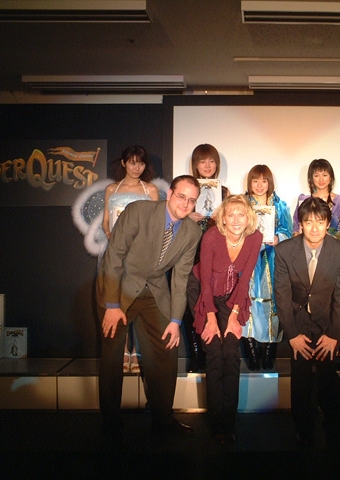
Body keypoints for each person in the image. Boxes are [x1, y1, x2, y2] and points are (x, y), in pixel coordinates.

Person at [96, 175, 202, 441]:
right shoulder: (138, 211)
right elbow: (113, 257)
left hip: (153, 290)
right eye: (181, 196)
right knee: (112, 354)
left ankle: (163, 418)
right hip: (119, 286)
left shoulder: (192, 232)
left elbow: (180, 278)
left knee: (167, 347)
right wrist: (112, 305)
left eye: (191, 200)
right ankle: (110, 421)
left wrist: (175, 321)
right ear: (170, 194)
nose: (185, 204)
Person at [275, 197, 340, 448]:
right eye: (308, 222)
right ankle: (303, 431)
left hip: (327, 323)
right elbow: (282, 296)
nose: (314, 228)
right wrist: (292, 334)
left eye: (320, 222)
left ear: (328, 223)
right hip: (297, 322)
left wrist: (335, 335)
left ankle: (333, 428)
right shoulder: (284, 251)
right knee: (300, 381)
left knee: (328, 380)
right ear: (301, 224)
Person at [189, 195, 262, 444]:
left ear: (249, 218)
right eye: (231, 215)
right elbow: (206, 282)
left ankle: (228, 424)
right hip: (202, 292)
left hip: (232, 298)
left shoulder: (255, 238)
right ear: (223, 218)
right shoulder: (211, 237)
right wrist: (210, 318)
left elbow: (245, 279)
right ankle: (215, 424)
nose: (236, 220)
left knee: (231, 353)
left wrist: (234, 316)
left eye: (241, 214)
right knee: (214, 352)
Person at [102, 145, 159, 374]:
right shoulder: (111, 189)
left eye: (141, 163)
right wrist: (111, 236)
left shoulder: (150, 190)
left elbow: (155, 223)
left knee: (138, 302)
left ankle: (137, 351)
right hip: (117, 255)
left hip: (140, 256)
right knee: (119, 300)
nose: (137, 168)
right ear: (124, 163)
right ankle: (124, 351)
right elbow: (106, 221)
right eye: (133, 163)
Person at [184, 143, 230, 372]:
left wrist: (221, 217)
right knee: (191, 305)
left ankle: (214, 352)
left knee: (214, 303)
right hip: (190, 255)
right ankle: (196, 354)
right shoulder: (187, 190)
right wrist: (187, 216)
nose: (207, 165)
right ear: (195, 164)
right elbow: (172, 219)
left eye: (211, 161)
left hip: (216, 256)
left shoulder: (225, 192)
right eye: (202, 161)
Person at [242, 165, 292, 370]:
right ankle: (251, 351)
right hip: (249, 260)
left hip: (273, 258)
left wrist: (279, 237)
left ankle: (270, 351)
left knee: (274, 302)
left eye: (264, 181)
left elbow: (288, 231)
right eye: (255, 181)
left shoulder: (280, 205)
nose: (260, 185)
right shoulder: (242, 204)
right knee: (248, 301)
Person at [292, 159, 340, 237]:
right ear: (311, 178)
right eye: (316, 176)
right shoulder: (303, 200)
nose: (321, 179)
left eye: (324, 175)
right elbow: (296, 226)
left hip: (333, 243)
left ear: (330, 177)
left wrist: (330, 238)